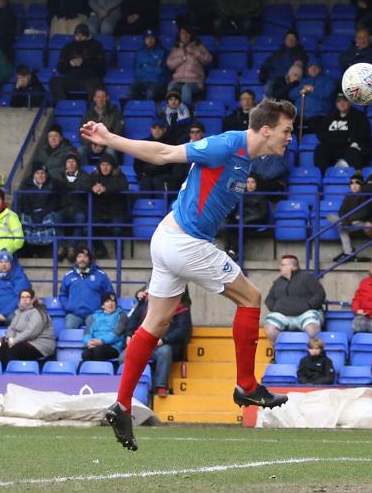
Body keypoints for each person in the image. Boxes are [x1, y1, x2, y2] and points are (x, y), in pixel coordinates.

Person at [79, 97, 299, 450]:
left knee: (155, 324)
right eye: (287, 131)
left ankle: (121, 404)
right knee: (252, 298)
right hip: (185, 242)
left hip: (171, 239)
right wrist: (110, 139)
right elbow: (163, 154)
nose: (290, 138)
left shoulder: (249, 159)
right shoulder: (227, 145)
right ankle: (246, 385)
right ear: (267, 129)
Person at [124, 287, 192, 397]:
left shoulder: (181, 308)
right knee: (124, 356)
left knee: (165, 352)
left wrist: (164, 340)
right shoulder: (145, 304)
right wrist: (129, 334)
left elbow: (182, 330)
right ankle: (130, 388)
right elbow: (133, 320)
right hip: (144, 342)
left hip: (165, 344)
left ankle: (161, 386)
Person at [262, 254, 326, 343]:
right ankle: (280, 351)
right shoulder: (278, 282)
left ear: (291, 267)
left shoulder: (307, 277)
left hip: (305, 313)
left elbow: (320, 294)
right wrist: (276, 308)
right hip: (283, 315)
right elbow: (269, 299)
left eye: (283, 265)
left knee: (312, 327)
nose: (279, 267)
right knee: (269, 327)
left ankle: (311, 353)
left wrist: (308, 306)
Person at [0, 288, 55, 363]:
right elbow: (11, 328)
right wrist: (10, 337)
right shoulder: (20, 312)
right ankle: (3, 374)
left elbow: (31, 332)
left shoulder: (38, 312)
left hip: (40, 345)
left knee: (11, 352)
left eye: (27, 297)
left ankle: (13, 373)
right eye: (22, 297)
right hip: (23, 342)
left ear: (32, 299)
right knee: (0, 350)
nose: (25, 299)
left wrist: (14, 340)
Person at [314, 93, 372, 172]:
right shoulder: (330, 116)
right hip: (332, 146)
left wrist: (349, 140)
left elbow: (364, 133)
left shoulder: (359, 116)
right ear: (336, 104)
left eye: (344, 101)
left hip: (349, 147)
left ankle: (357, 179)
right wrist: (332, 140)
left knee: (354, 152)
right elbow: (320, 133)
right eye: (339, 101)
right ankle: (322, 177)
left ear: (350, 102)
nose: (342, 104)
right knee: (320, 150)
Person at [49, 23, 106, 102]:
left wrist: (84, 63)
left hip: (89, 78)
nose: (79, 38)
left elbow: (102, 67)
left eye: (82, 35)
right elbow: (60, 68)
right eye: (77, 35)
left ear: (87, 35)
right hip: (72, 78)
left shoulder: (96, 46)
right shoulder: (68, 47)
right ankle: (63, 107)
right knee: (54, 81)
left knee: (97, 86)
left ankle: (89, 111)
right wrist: (70, 64)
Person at [330, 173, 372, 262]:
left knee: (341, 227)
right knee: (330, 217)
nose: (354, 186)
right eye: (352, 183)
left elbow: (363, 214)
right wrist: (344, 219)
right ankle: (349, 253)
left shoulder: (365, 196)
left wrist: (347, 219)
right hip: (346, 221)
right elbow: (341, 212)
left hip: (360, 222)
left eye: (357, 183)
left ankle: (348, 253)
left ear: (361, 185)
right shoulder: (348, 196)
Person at [88, 152, 128, 258]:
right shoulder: (94, 176)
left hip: (116, 212)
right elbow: (84, 184)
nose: (105, 168)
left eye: (107, 165)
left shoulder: (120, 176)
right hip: (98, 213)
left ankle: (120, 254)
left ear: (112, 166)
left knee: (117, 230)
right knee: (88, 229)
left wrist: (105, 189)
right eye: (102, 165)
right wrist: (92, 188)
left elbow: (123, 186)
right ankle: (101, 250)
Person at [59, 246, 111, 328]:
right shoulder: (68, 276)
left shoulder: (101, 275)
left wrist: (101, 309)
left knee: (95, 334)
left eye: (85, 257)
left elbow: (109, 294)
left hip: (93, 314)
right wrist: (68, 306)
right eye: (79, 256)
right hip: (74, 314)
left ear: (89, 259)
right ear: (76, 259)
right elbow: (63, 294)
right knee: (68, 330)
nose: (82, 259)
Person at [15, 163, 59, 254]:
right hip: (30, 213)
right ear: (33, 175)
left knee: (53, 218)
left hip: (46, 213)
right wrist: (32, 213)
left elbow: (54, 203)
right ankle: (29, 251)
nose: (40, 176)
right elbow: (23, 202)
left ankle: (47, 251)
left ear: (46, 174)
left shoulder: (53, 184)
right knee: (23, 220)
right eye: (38, 173)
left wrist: (43, 212)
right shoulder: (26, 184)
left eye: (43, 173)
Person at [224, 175, 269, 259]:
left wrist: (245, 219)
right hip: (240, 220)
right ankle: (228, 249)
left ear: (256, 184)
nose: (250, 184)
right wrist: (236, 215)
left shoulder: (261, 196)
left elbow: (263, 213)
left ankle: (234, 250)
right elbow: (235, 208)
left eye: (252, 182)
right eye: (247, 182)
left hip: (255, 221)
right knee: (230, 224)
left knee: (238, 227)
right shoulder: (241, 195)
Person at [166, 26, 212, 107]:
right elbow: (169, 65)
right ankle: (171, 112)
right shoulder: (175, 49)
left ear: (191, 35)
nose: (185, 35)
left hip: (194, 81)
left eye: (187, 33)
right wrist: (182, 58)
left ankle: (185, 112)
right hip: (178, 80)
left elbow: (208, 60)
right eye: (182, 33)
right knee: (171, 86)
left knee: (186, 87)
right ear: (179, 35)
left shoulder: (198, 47)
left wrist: (195, 52)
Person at [81, 291, 128, 361]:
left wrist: (102, 341)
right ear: (102, 305)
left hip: (113, 346)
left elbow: (117, 333)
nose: (111, 304)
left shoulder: (121, 315)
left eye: (113, 301)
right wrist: (89, 342)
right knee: (85, 354)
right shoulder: (94, 316)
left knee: (98, 352)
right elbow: (87, 332)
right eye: (108, 301)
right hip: (95, 345)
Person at [259, 30, 308, 96]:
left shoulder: (301, 53)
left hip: (291, 81)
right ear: (285, 40)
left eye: (292, 38)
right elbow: (266, 64)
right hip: (276, 80)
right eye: (288, 38)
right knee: (268, 89)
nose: (290, 40)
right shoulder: (277, 53)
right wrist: (263, 71)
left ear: (296, 41)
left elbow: (301, 68)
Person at [291, 60, 336, 127]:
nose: (313, 69)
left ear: (320, 69)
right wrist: (300, 91)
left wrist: (313, 90)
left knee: (316, 125)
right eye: (310, 67)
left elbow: (327, 94)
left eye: (315, 67)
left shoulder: (327, 80)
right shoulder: (303, 81)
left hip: (319, 114)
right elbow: (291, 95)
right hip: (300, 115)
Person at [0, 250, 31, 327]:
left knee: (13, 319)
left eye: (6, 262)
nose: (3, 264)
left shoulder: (19, 277)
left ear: (11, 263)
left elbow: (20, 298)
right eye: (1, 262)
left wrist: (3, 313)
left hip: (13, 312)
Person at [130, 29, 169, 100]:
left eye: (152, 37)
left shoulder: (162, 52)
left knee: (150, 93)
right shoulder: (139, 52)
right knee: (132, 89)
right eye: (147, 38)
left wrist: (144, 67)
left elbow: (160, 71)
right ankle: (136, 109)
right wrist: (152, 67)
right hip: (143, 80)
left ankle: (147, 110)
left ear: (155, 39)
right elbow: (137, 71)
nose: (150, 40)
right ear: (144, 39)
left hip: (157, 81)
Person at [0, 188, 24, 256]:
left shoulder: (11, 216)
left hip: (3, 262)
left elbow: (19, 239)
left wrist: (8, 251)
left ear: (2, 201)